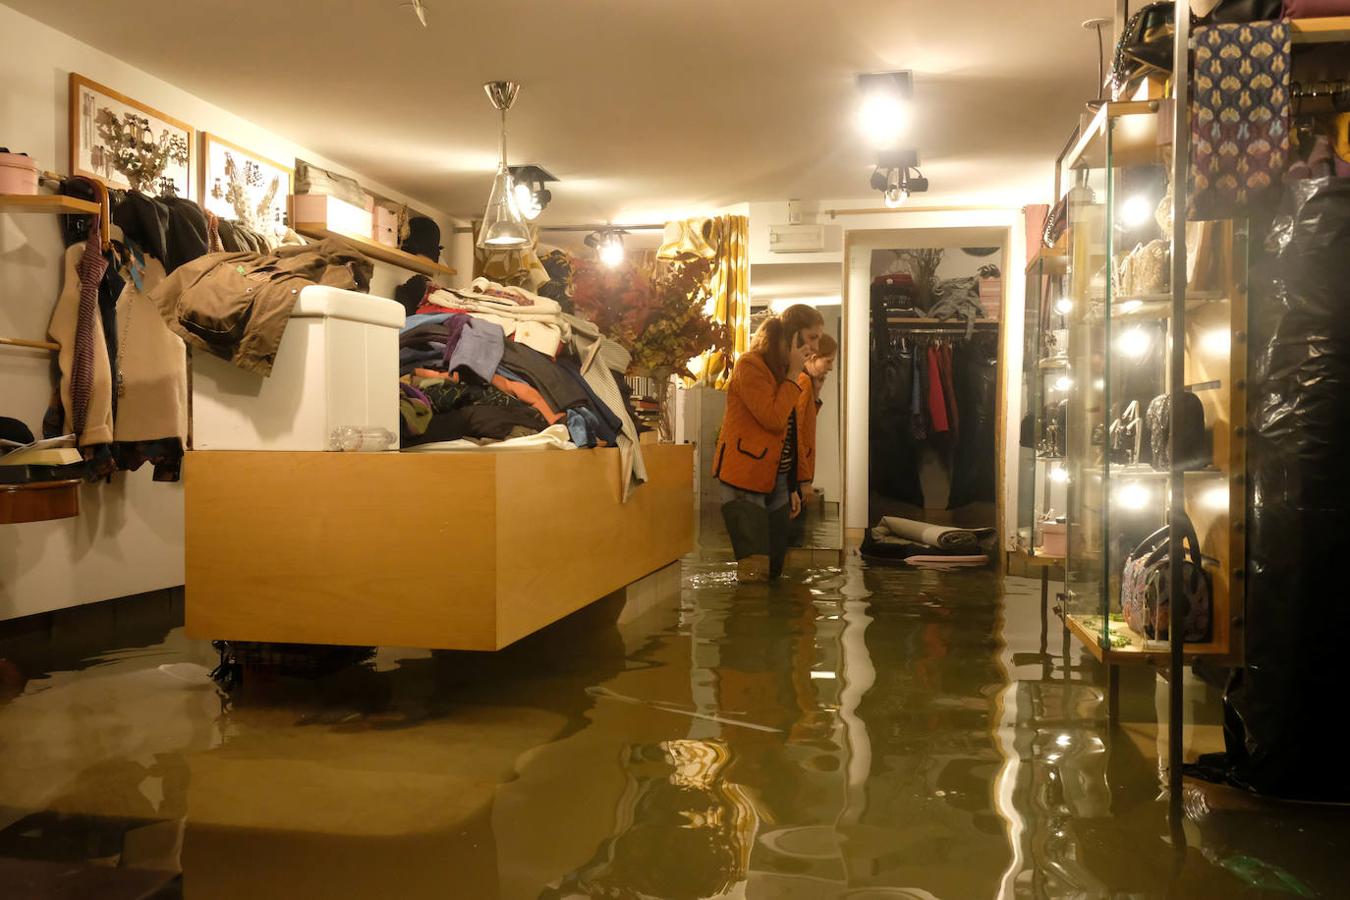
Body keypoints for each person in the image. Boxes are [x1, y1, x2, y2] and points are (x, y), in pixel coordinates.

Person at [714, 304, 824, 582]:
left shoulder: (793, 376)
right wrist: (793, 376)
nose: (815, 346)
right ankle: (749, 622)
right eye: (811, 338)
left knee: (775, 569)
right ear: (793, 336)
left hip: (777, 482)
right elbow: (773, 419)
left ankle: (769, 624)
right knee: (754, 571)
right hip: (744, 478)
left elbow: (793, 431)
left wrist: (796, 484)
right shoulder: (750, 365)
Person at [790, 333, 838, 546]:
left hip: (800, 468)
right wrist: (803, 480)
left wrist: (817, 391)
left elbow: (806, 420)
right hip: (799, 471)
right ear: (813, 357)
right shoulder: (802, 381)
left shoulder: (806, 382)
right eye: (828, 361)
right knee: (796, 536)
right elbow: (798, 431)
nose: (830, 368)